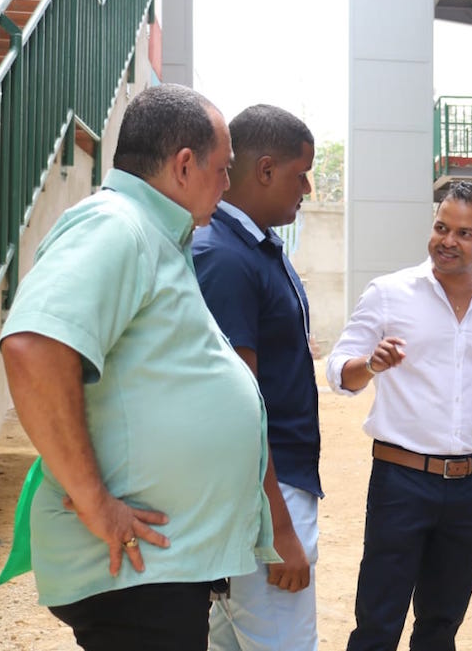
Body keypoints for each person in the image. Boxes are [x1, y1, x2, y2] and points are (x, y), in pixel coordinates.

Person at [0, 84, 276, 651]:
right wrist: (95, 501)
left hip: (156, 571)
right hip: (133, 571)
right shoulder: (116, 224)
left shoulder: (151, 234)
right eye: (222, 170)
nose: (226, 187)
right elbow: (33, 347)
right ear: (182, 165)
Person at [325, 181, 472, 651]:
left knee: (441, 627)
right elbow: (339, 373)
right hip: (401, 480)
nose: (448, 241)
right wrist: (371, 365)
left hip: (471, 486)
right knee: (378, 622)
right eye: (441, 227)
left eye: (464, 233)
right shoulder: (389, 293)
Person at [192, 104, 320, 651]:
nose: (309, 188)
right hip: (265, 497)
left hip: (271, 488)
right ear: (265, 170)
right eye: (300, 173)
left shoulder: (258, 247)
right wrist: (280, 530)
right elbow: (236, 408)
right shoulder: (223, 256)